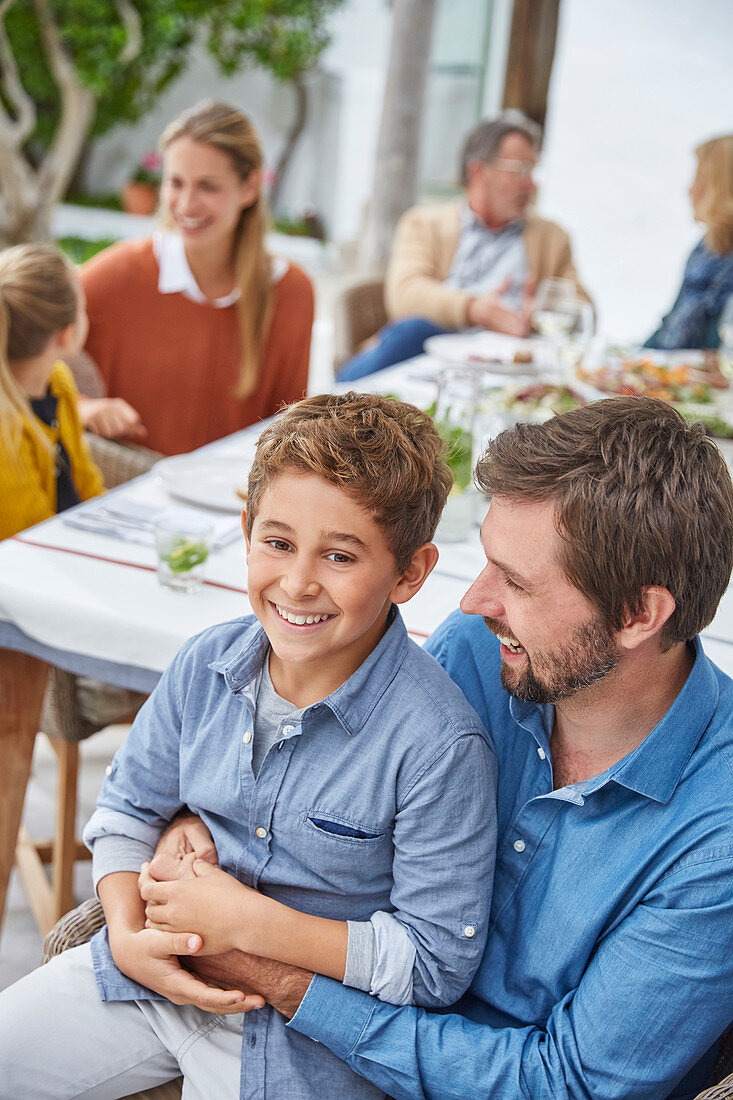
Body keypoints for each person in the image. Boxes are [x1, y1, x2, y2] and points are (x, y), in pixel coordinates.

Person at [153, 396, 733, 1100]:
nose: (472, 603)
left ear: (639, 615)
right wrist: (196, 827)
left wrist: (281, 979)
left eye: (516, 583)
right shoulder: (482, 657)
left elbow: (564, 1086)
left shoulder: (716, 843)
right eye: (488, 564)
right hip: (320, 1040)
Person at [0, 393, 497, 1099]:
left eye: (339, 555)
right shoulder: (205, 663)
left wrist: (251, 923)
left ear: (409, 573)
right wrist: (127, 934)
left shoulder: (438, 745)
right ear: (245, 530)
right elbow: (125, 812)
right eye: (277, 542)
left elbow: (432, 964)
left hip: (304, 1038)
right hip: (145, 978)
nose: (297, 582)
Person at [77, 100, 315, 456]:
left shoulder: (293, 292)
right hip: (124, 487)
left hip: (234, 499)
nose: (186, 204)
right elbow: (24, 366)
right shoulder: (116, 275)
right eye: (176, 183)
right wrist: (84, 407)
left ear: (250, 187)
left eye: (208, 186)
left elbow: (289, 430)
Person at [338, 111, 588, 381]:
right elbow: (405, 294)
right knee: (413, 330)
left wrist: (541, 313)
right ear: (478, 171)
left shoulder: (551, 237)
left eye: (533, 170)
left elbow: (584, 308)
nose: (531, 184)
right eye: (520, 170)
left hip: (510, 366)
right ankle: (324, 408)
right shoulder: (424, 223)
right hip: (431, 353)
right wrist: (474, 309)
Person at [0, 243, 104, 541]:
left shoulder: (57, 380)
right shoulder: (4, 432)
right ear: (67, 334)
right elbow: (31, 542)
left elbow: (88, 487)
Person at [646, 133, 733, 350]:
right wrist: (635, 360)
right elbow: (672, 322)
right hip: (676, 373)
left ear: (720, 189)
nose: (690, 189)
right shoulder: (704, 250)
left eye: (699, 178)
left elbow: (721, 345)